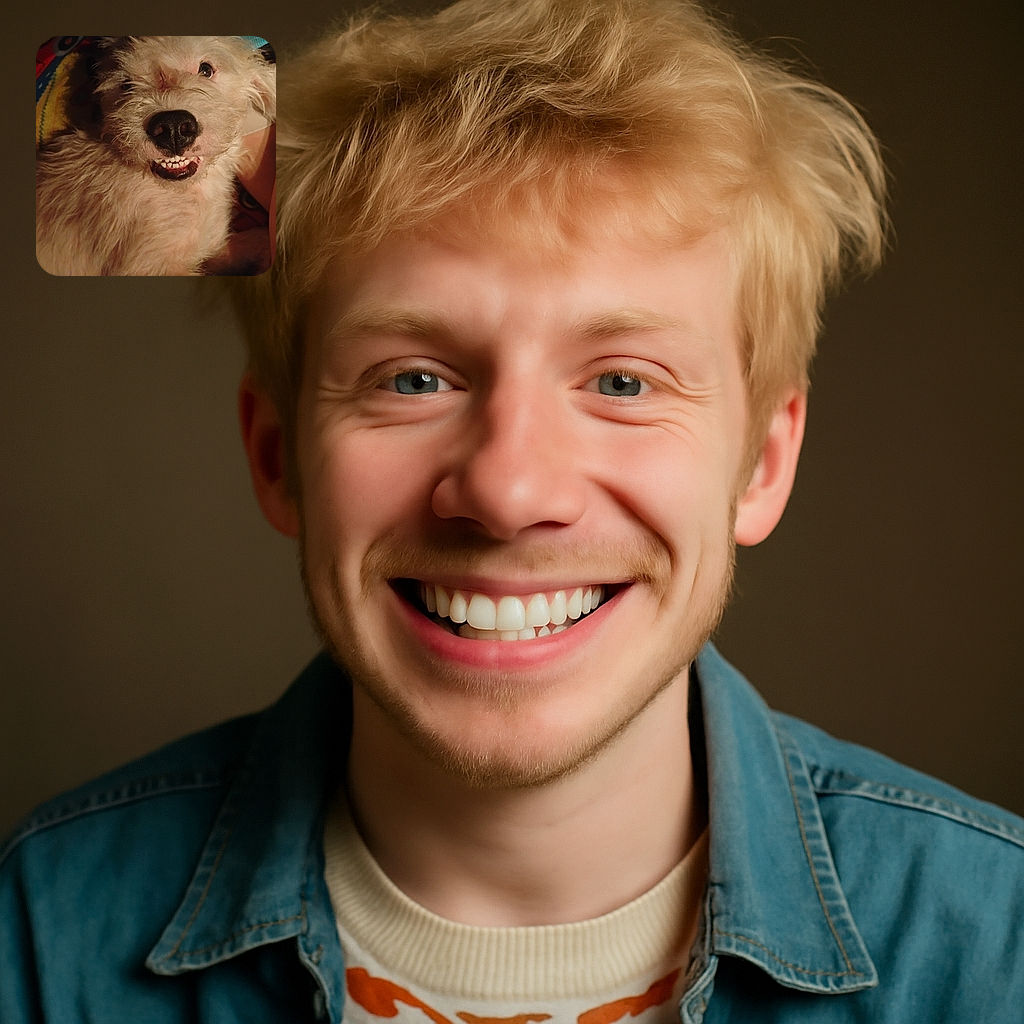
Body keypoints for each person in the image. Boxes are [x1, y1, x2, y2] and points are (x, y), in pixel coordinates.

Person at [3, 1, 1022, 1021]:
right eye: (411, 379)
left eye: (623, 382)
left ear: (761, 460)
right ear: (277, 458)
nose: (507, 490)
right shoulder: (36, 938)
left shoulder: (995, 945)